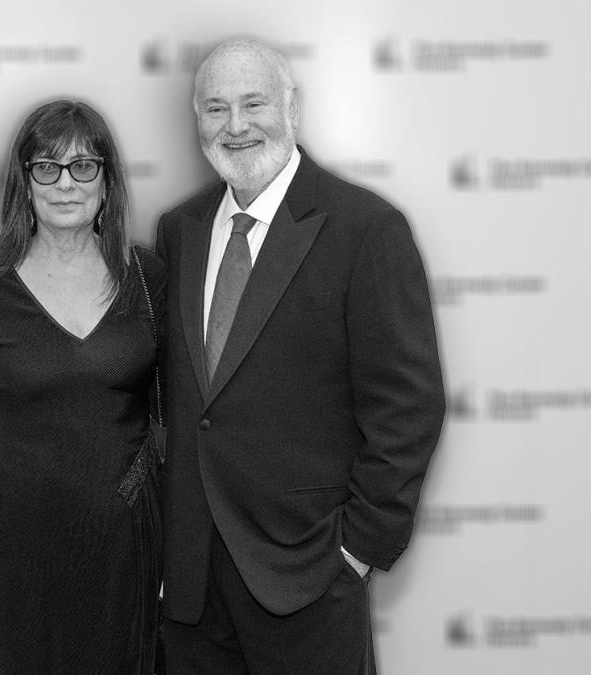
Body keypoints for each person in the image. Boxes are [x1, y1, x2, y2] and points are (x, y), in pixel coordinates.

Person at [154, 38, 445, 673]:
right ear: (197, 120)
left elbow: (408, 406)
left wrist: (356, 550)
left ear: (291, 107)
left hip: (308, 578)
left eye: (254, 103)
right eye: (215, 108)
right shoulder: (179, 231)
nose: (235, 125)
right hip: (193, 587)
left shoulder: (365, 228)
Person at [0, 99, 164, 674]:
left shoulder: (147, 275)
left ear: (107, 182)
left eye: (83, 166)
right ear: (25, 181)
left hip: (124, 543)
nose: (66, 184)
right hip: (20, 547)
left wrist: (172, 543)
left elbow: (174, 417)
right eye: (47, 167)